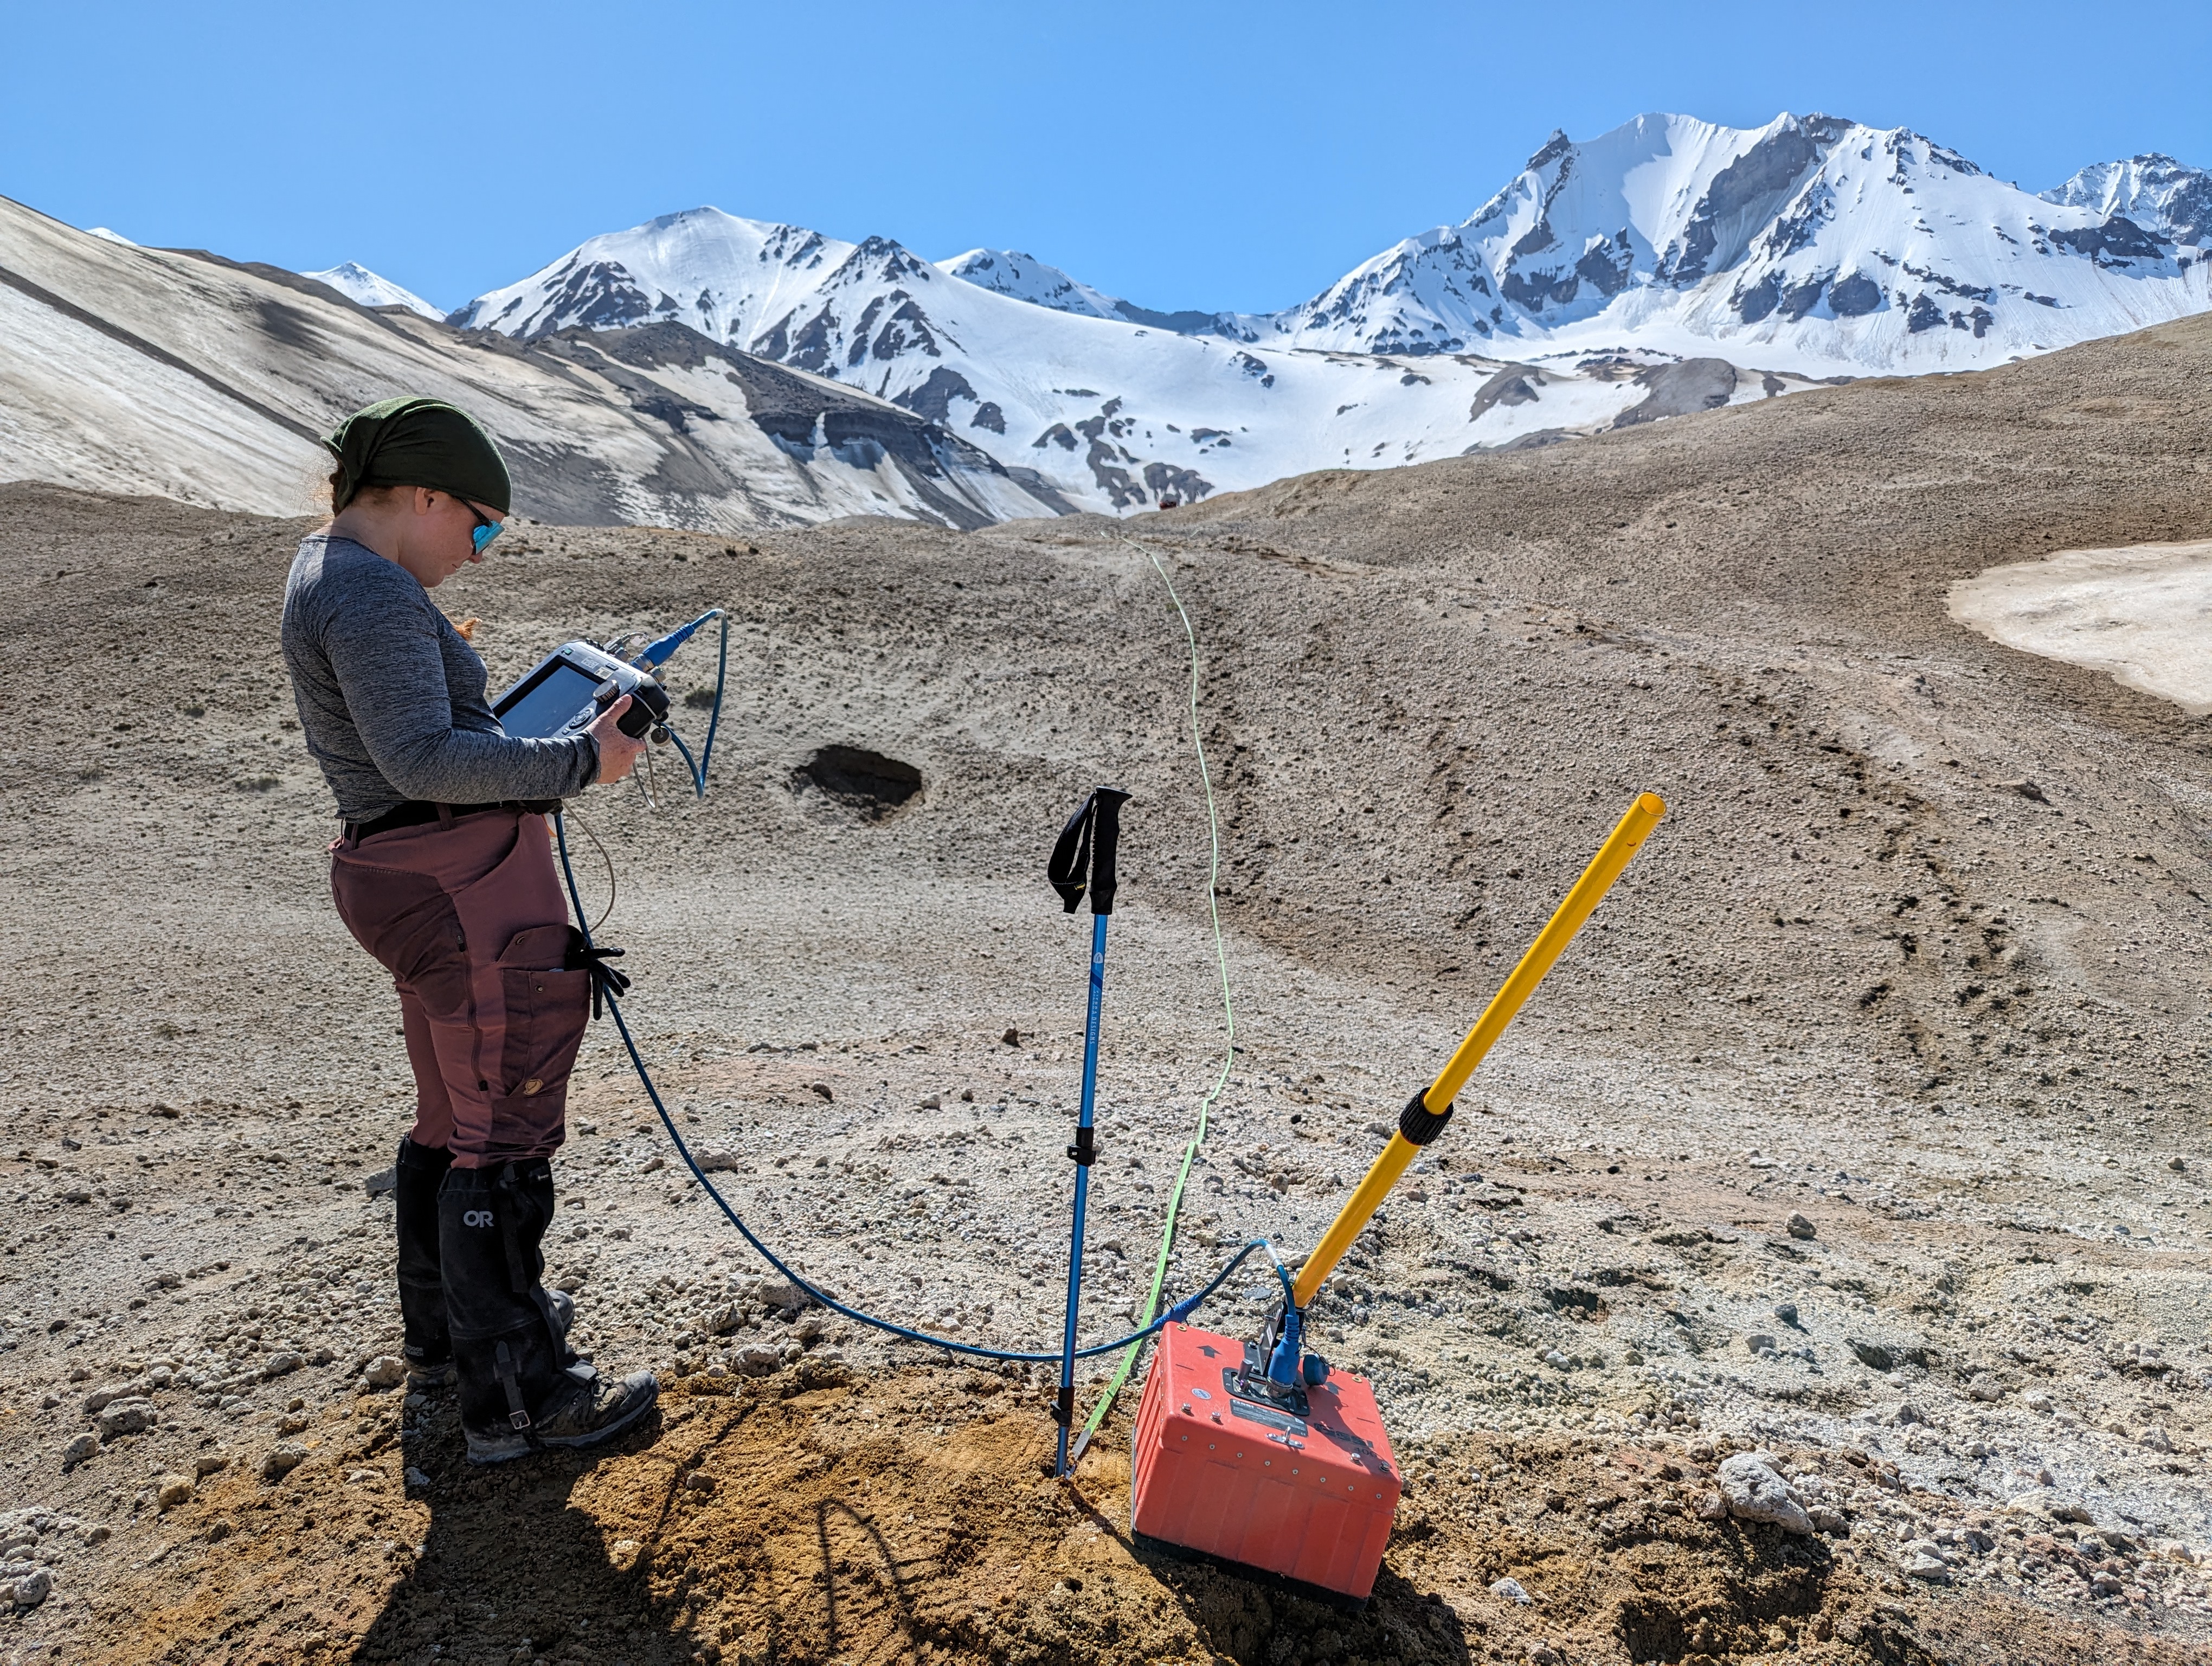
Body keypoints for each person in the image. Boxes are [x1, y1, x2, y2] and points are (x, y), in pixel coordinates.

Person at [280, 395, 658, 1463]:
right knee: (505, 1121)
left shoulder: (336, 574)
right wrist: (586, 760)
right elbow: (423, 763)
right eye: (481, 526)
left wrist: (497, 720)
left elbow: (422, 743)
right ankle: (524, 1400)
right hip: (453, 880)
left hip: (408, 875)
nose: (483, 551)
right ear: (425, 496)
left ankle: (452, 1347)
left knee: (452, 1119)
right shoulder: (369, 594)